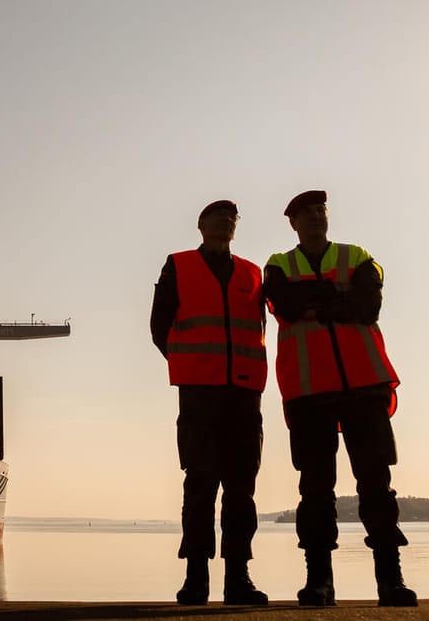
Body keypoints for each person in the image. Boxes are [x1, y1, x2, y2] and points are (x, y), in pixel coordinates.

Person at [263, 190, 417, 607]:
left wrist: (320, 304)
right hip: (310, 392)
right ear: (292, 222)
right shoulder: (279, 264)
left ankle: (391, 580)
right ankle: (319, 583)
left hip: (364, 387)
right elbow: (287, 305)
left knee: (376, 486)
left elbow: (369, 305)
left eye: (320, 210)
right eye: (306, 213)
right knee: (315, 491)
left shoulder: (358, 255)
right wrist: (337, 301)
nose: (316, 216)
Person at [150, 199, 269, 606]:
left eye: (233, 217)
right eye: (218, 216)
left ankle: (239, 577)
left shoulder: (253, 273)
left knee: (242, 488)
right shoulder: (178, 265)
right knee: (200, 484)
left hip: (244, 396)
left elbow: (259, 328)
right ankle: (195, 577)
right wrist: (193, 364)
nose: (227, 221)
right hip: (200, 395)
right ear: (201, 225)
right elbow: (159, 327)